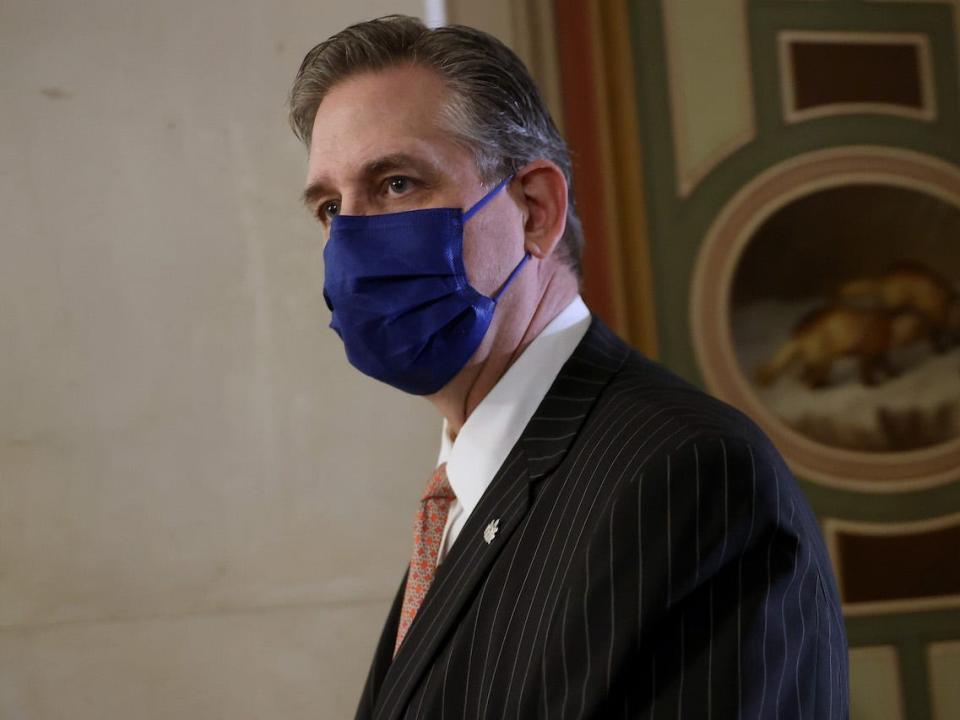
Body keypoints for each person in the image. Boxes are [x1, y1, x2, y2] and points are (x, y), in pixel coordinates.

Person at [288, 15, 848, 719]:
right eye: (331, 207)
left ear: (534, 210)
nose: (354, 241)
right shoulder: (465, 496)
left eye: (398, 183)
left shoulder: (688, 474)